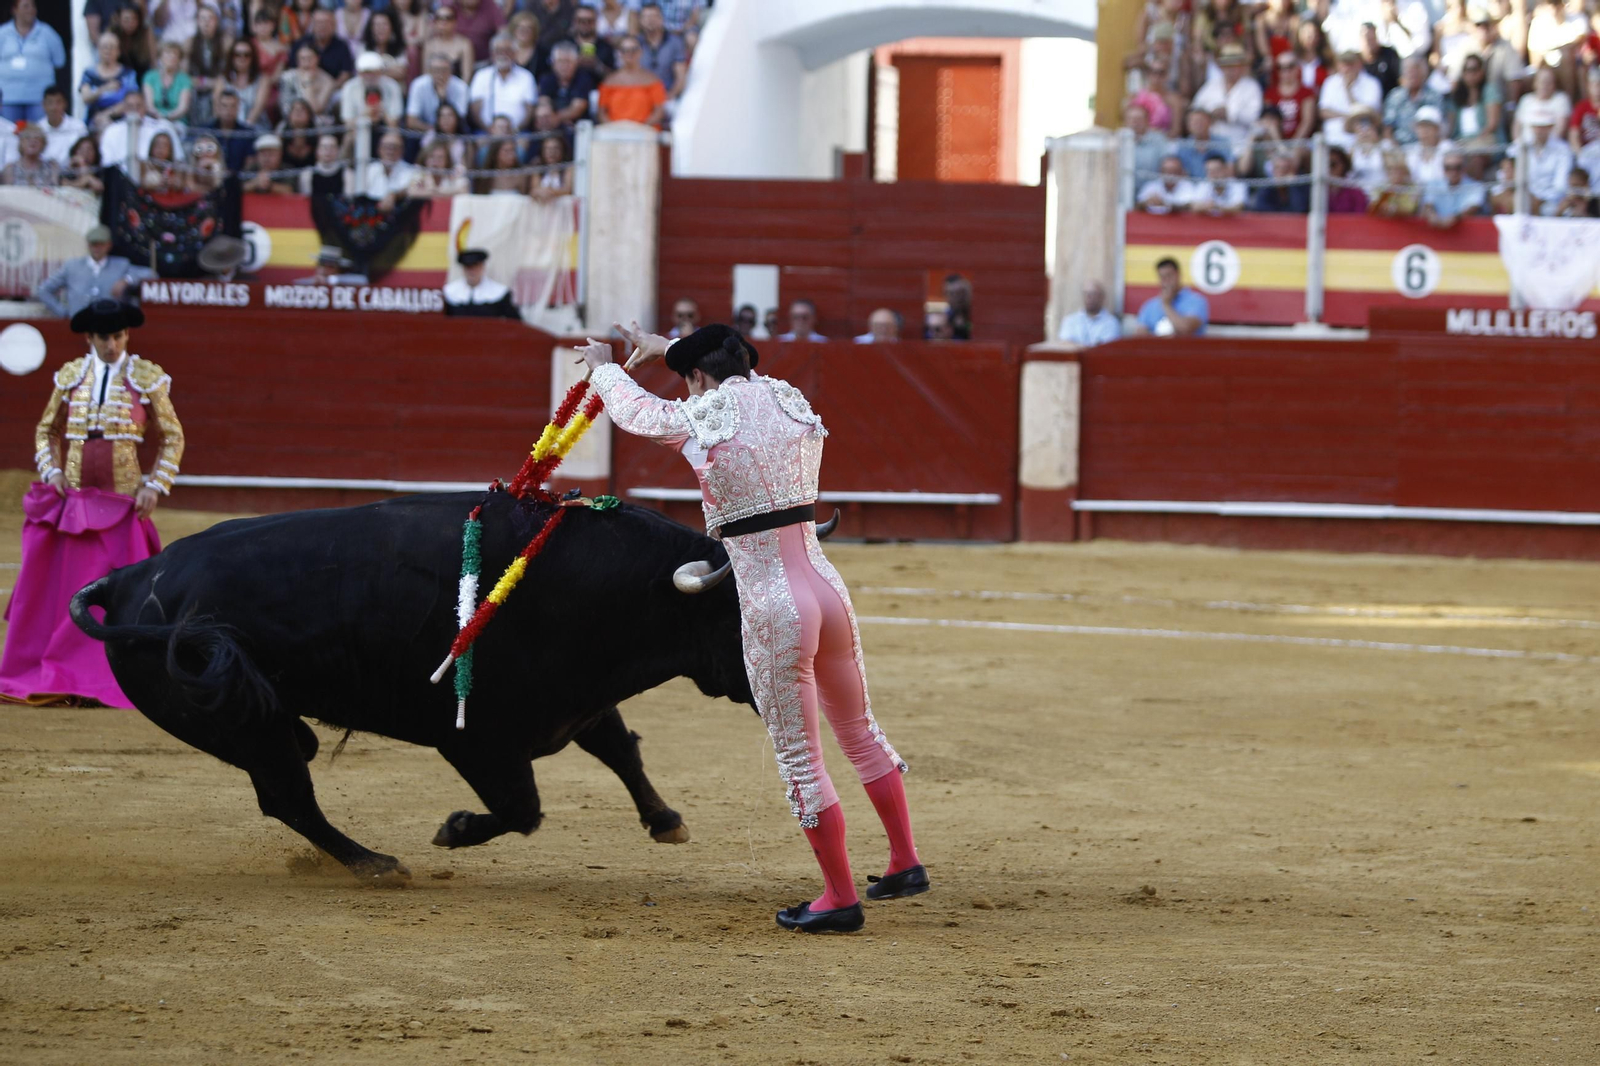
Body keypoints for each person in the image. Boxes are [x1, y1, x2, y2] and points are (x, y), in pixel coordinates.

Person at [579, 322, 923, 933]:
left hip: (772, 603)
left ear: (697, 380)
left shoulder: (704, 415)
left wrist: (604, 366)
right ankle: (903, 862)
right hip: (825, 587)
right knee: (858, 728)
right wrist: (672, 350)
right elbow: (730, 379)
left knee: (799, 756)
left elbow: (635, 412)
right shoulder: (788, 397)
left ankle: (839, 898)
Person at [0, 300, 181, 708]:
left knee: (125, 592)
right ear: (90, 338)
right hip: (76, 501)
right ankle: (67, 670)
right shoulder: (69, 377)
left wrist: (155, 484)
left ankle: (118, 673)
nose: (114, 344)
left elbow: (173, 436)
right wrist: (53, 473)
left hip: (123, 501)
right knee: (64, 586)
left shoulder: (147, 378)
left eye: (119, 336)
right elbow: (47, 430)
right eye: (105, 337)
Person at [35, 226, 155, 319]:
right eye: (93, 244)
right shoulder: (72, 266)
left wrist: (127, 280)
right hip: (80, 325)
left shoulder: (120, 265)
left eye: (101, 244)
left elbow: (151, 274)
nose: (97, 248)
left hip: (112, 325)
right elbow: (44, 290)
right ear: (88, 245)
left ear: (109, 245)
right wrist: (64, 312)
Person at [0, 0, 66, 124]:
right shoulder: (2, 33)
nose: (31, 10)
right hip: (8, 97)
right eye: (26, 6)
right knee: (9, 135)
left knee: (38, 134)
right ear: (14, 10)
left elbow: (60, 61)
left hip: (38, 97)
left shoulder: (47, 33)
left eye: (33, 6)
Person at [473, 34, 540, 131]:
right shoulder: (481, 76)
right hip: (487, 133)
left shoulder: (526, 77)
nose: (502, 54)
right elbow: (475, 108)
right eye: (498, 51)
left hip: (518, 133)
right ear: (492, 53)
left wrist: (515, 130)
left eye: (507, 51)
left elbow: (529, 109)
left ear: (514, 53)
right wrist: (489, 130)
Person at [1320, 48, 1385, 147]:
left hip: (1362, 135)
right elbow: (1324, 111)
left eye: (1350, 64)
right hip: (1333, 136)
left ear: (1359, 64)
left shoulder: (1371, 83)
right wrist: (1348, 117)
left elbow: (1366, 113)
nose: (1347, 68)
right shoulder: (1330, 82)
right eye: (1344, 64)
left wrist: (1348, 91)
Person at [598, 35, 667, 127]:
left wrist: (641, 127)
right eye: (625, 50)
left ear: (640, 52)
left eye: (634, 50)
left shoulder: (652, 80)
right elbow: (602, 112)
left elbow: (659, 111)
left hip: (644, 132)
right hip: (615, 133)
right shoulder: (609, 81)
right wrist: (614, 128)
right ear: (619, 53)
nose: (629, 54)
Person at [1134, 257, 1208, 336]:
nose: (1166, 281)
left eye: (1169, 276)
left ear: (1178, 275)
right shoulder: (1150, 305)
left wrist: (1166, 304)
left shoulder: (1196, 301)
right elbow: (1140, 336)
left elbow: (1185, 329)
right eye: (1162, 277)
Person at [81, 32, 140, 130]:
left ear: (118, 51)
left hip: (121, 119)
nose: (108, 50)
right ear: (98, 50)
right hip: (94, 119)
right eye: (104, 47)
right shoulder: (89, 73)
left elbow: (132, 100)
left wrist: (107, 114)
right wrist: (104, 89)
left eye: (112, 47)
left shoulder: (128, 74)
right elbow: (86, 98)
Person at [535, 41, 596, 135]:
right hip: (551, 126)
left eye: (568, 61)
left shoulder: (584, 79)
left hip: (578, 129)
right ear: (553, 63)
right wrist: (551, 118)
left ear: (576, 62)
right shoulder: (547, 79)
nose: (564, 66)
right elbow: (544, 103)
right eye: (560, 61)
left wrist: (557, 118)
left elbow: (577, 108)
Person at [442, 248, 519, 317]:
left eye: (475, 266)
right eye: (468, 267)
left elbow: (514, 322)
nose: (472, 271)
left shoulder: (500, 293)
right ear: (463, 269)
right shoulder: (450, 292)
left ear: (482, 267)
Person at [406, 52, 470, 133]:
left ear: (451, 71)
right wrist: (433, 132)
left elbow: (460, 120)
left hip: (454, 133)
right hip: (425, 131)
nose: (440, 74)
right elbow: (411, 121)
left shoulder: (461, 87)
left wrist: (443, 99)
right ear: (429, 71)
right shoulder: (418, 85)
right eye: (436, 70)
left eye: (444, 70)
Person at [341, 50, 405, 127]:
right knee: (349, 137)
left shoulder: (392, 86)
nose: (369, 76)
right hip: (358, 130)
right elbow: (348, 123)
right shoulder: (350, 87)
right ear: (359, 73)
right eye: (365, 72)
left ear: (380, 71)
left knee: (392, 138)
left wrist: (382, 112)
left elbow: (394, 123)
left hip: (386, 130)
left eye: (373, 72)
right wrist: (365, 114)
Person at [1420, 149, 1486, 225]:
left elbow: (1472, 208)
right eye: (1448, 168)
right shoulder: (1433, 184)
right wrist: (1431, 215)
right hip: (1437, 232)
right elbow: (1428, 204)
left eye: (1457, 168)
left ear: (1464, 168)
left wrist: (1454, 218)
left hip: (1465, 234)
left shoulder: (1476, 187)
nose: (1453, 172)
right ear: (1443, 169)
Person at [142, 40, 193, 124]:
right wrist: (159, 116)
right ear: (160, 57)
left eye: (175, 54)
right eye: (168, 53)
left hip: (176, 121)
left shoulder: (184, 79)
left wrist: (167, 117)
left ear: (179, 59)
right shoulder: (150, 77)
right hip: (153, 119)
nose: (171, 56)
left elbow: (182, 108)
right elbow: (149, 105)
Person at [280, 41, 336, 118]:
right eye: (303, 59)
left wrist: (308, 83)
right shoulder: (287, 78)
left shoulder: (327, 81)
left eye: (310, 58)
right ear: (297, 60)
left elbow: (316, 110)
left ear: (317, 59)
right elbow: (285, 108)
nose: (306, 63)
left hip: (318, 121)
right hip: (293, 120)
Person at [1057, 281, 1121, 347]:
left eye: (1093, 294)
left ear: (1102, 297)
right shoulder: (1070, 320)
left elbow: (1104, 349)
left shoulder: (1111, 323)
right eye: (1086, 293)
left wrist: (1075, 345)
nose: (1089, 297)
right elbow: (1065, 345)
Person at [298, 132, 348, 196]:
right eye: (324, 147)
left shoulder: (347, 174)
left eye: (332, 147)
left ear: (337, 150)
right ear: (317, 150)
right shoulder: (307, 175)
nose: (328, 151)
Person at [529, 133, 573, 201]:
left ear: (562, 150)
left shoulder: (568, 168)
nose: (551, 152)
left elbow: (568, 190)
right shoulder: (538, 169)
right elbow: (534, 190)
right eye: (547, 149)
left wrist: (549, 192)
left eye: (555, 148)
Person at [295, 245, 368, 285]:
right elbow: (296, 283)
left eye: (330, 266)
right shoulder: (314, 281)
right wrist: (315, 282)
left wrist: (331, 280)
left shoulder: (343, 280)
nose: (325, 269)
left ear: (338, 268)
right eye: (322, 264)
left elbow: (363, 280)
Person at [943, 273, 973, 340]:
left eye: (960, 293)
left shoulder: (974, 312)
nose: (951, 298)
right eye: (948, 293)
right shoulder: (949, 312)